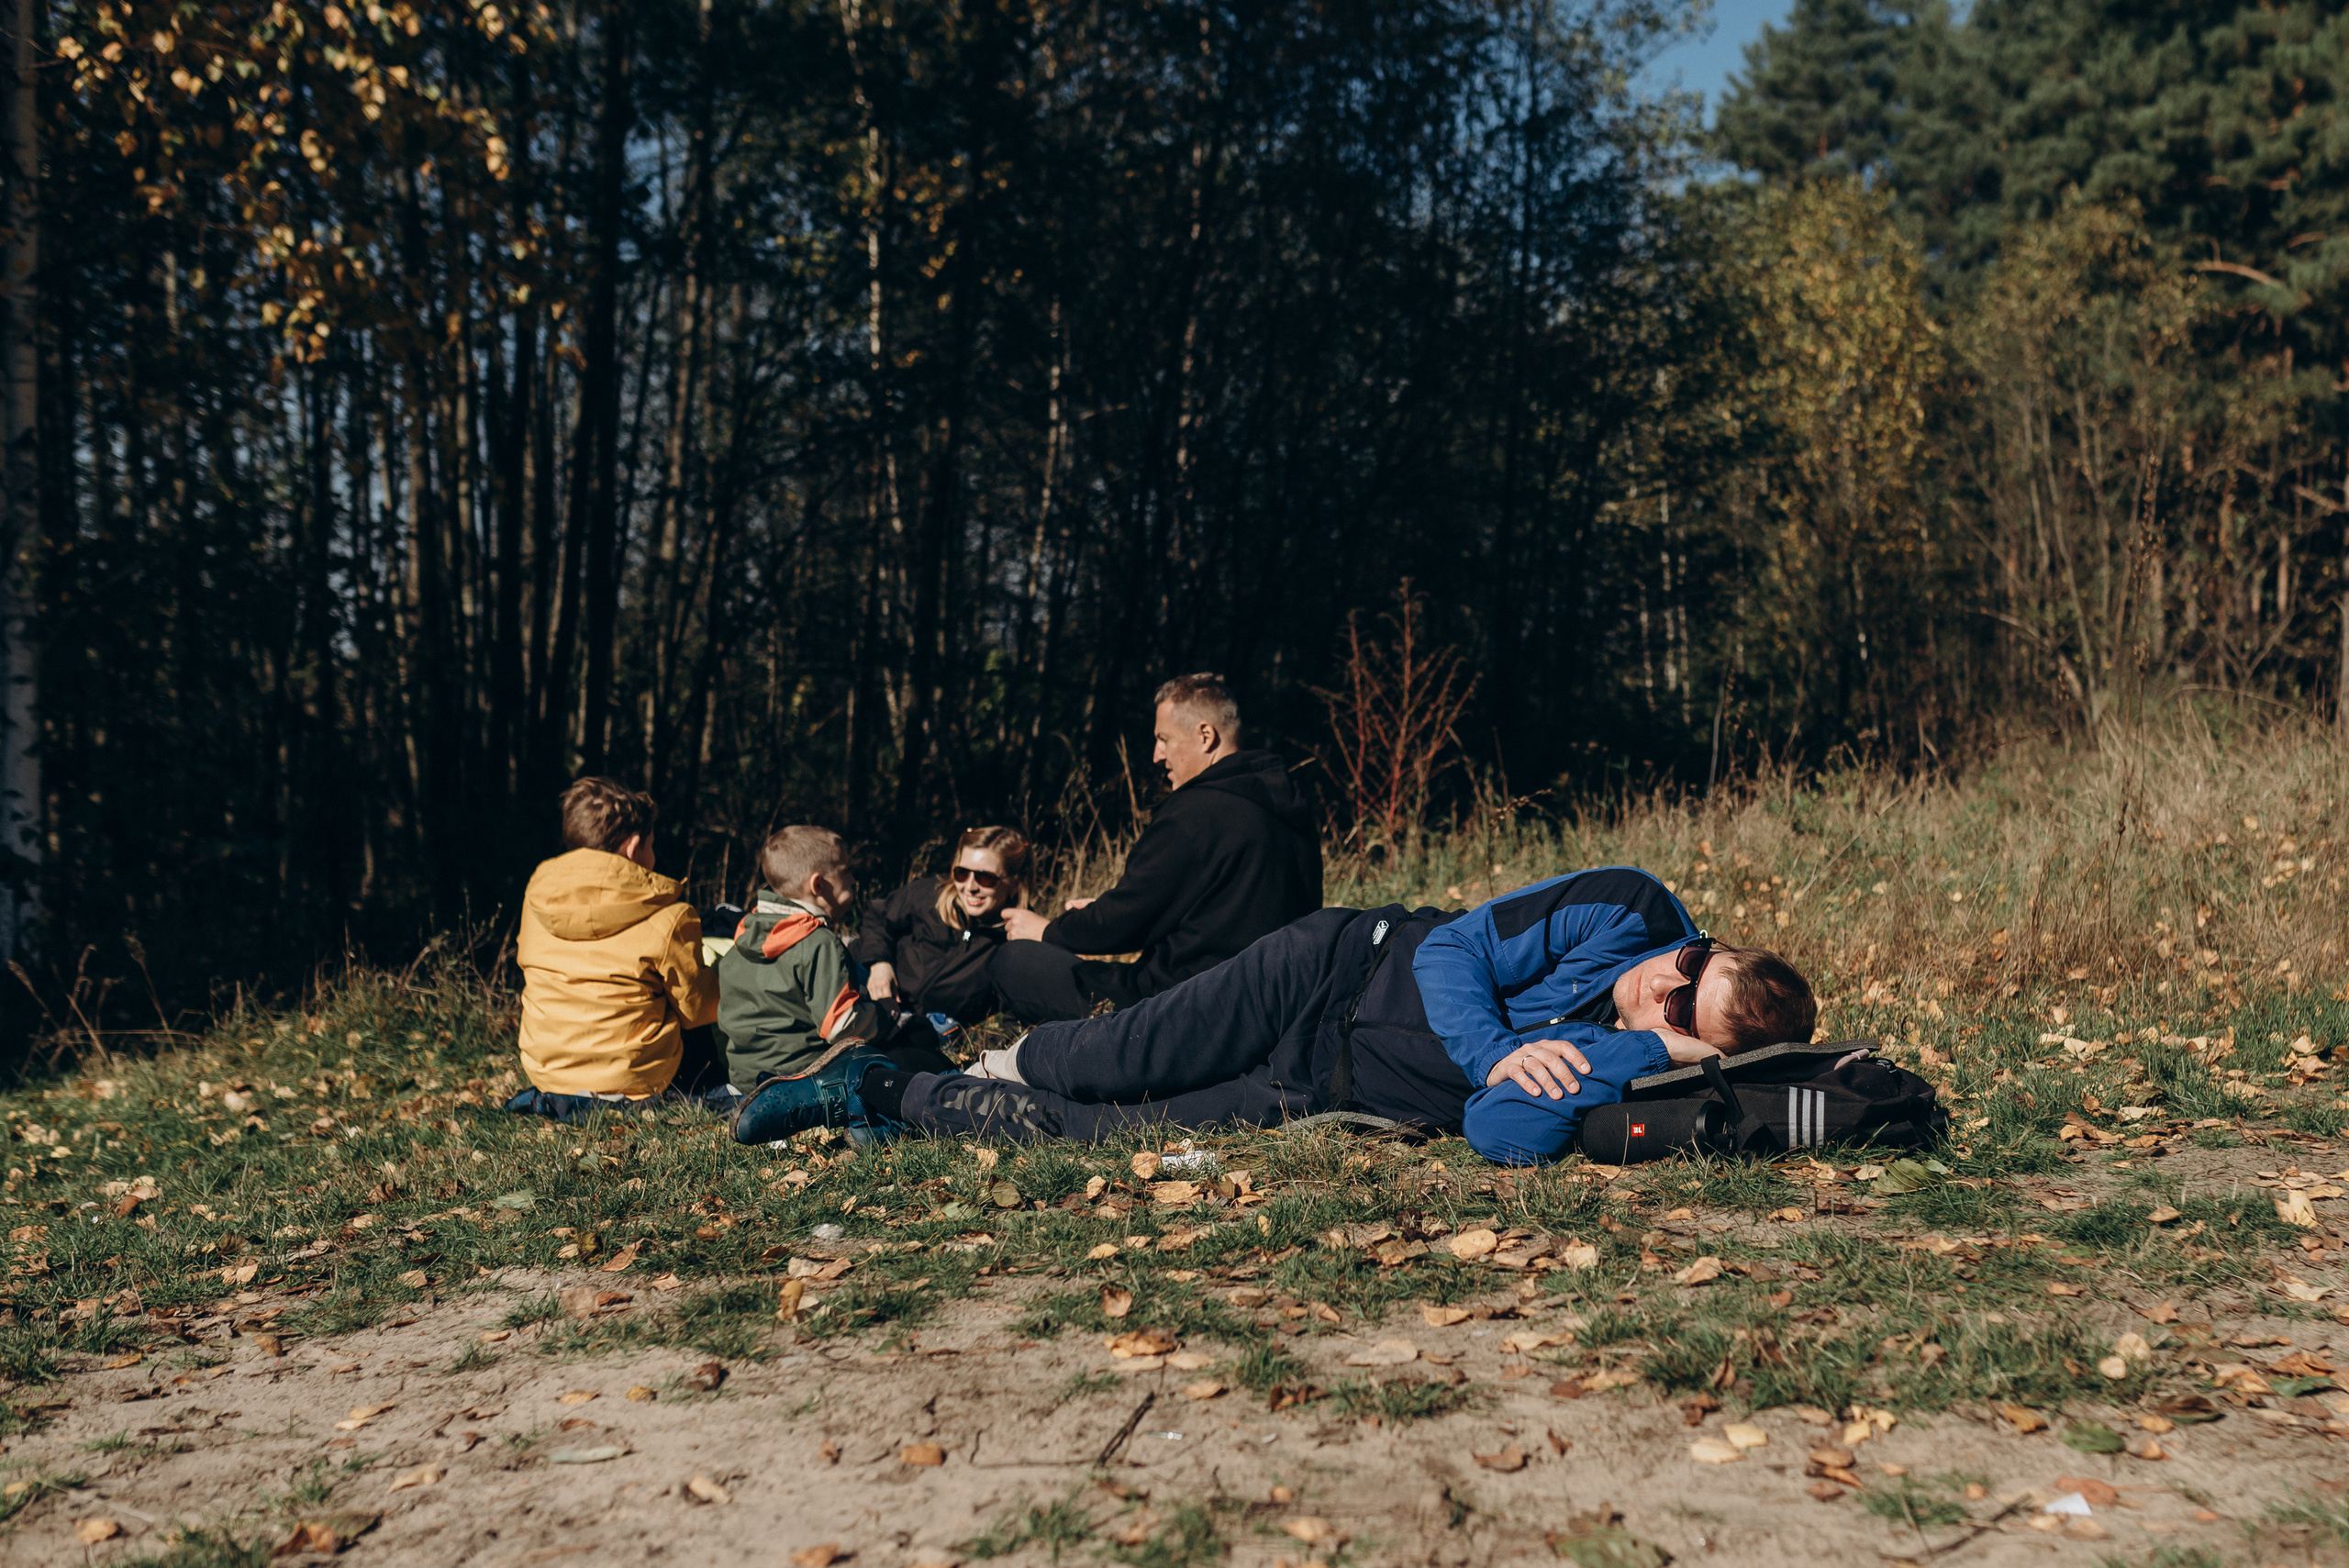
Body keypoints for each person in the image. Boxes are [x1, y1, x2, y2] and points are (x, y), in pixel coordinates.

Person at [747, 866, 1817, 1165]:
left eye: (1685, 1014)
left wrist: (1640, 1049)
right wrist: (1495, 1052)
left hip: (1325, 1087)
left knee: (1113, 1139)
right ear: (1705, 938)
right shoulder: (1629, 909)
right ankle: (1002, 1064)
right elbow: (1452, 947)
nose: (1659, 988)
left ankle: (883, 1091)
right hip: (1327, 969)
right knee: (1108, 1055)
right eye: (1686, 969)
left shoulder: (1643, 1057)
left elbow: (1501, 1135)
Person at [991, 673, 1321, 1024]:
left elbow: (1121, 922)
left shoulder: (1195, 812)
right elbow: (1222, 915)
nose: (1156, 756)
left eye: (1163, 739)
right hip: (1274, 1008)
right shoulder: (1289, 807)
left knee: (1013, 961)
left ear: (1205, 736)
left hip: (1179, 1010)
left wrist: (1046, 931)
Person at [507, 777, 725, 1122]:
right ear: (633, 845)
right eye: (651, 845)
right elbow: (698, 1009)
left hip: (549, 1076)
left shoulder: (537, 903)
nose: (653, 856)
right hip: (636, 1081)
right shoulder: (671, 918)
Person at [718, 825, 954, 1096]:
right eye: (846, 870)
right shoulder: (818, 943)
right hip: (805, 1074)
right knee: (918, 1038)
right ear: (818, 885)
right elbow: (841, 1025)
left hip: (746, 1079)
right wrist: (884, 1013)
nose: (854, 879)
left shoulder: (743, 939)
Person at [852, 826, 1030, 1040]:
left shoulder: (1016, 946)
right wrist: (879, 963)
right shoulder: (929, 894)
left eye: (986, 878)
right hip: (863, 981)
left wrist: (964, 1042)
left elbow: (1016, 1021)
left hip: (918, 1031)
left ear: (1015, 883)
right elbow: (877, 917)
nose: (969, 887)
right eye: (962, 873)